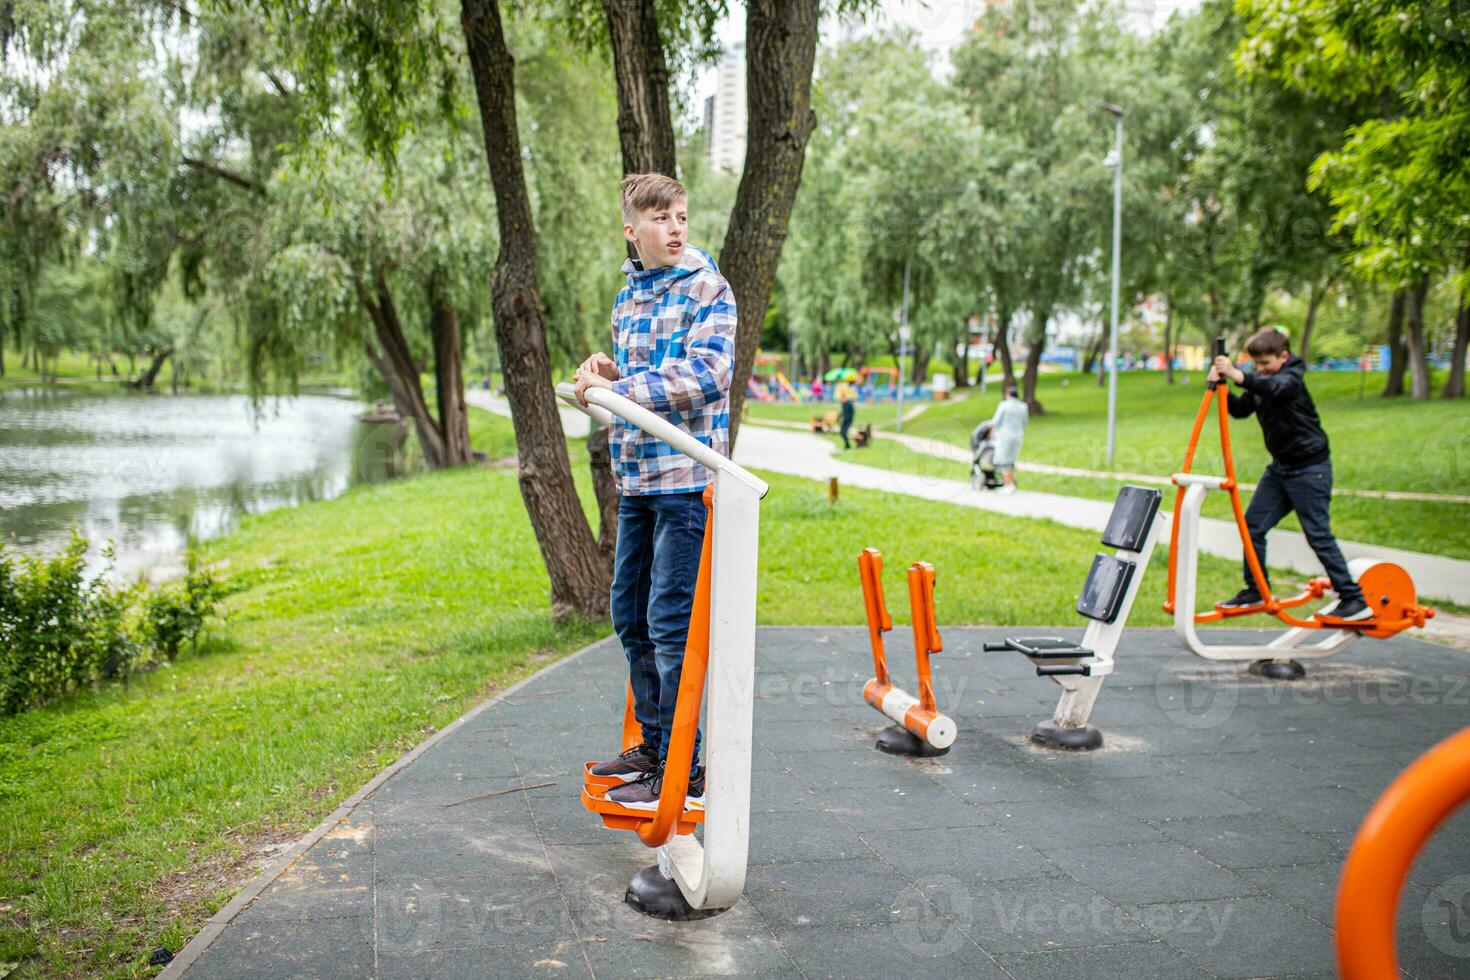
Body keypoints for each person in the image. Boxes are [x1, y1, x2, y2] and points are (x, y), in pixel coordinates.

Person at [573, 172, 738, 810]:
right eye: (661, 217)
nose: (674, 228)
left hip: (686, 481)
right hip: (637, 478)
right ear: (632, 229)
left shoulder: (708, 289)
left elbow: (708, 374)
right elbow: (643, 376)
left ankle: (682, 765)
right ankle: (655, 742)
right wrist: (609, 371)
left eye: (681, 216)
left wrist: (624, 391)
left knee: (669, 624)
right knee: (628, 616)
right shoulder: (627, 300)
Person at [1210, 327, 1370, 621]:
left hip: (1310, 469)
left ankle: (1354, 599)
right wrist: (1221, 384)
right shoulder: (1263, 379)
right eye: (1256, 364)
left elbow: (1277, 389)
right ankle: (1256, 588)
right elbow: (1240, 409)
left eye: (1266, 364)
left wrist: (1239, 375)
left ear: (1283, 357)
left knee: (1318, 535)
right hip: (1280, 469)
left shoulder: (1291, 378)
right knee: (1252, 527)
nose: (1260, 370)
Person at [988, 386, 1028, 494]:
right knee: (1012, 461)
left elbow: (995, 421)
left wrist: (991, 430)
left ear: (1007, 395)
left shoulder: (1004, 405)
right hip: (1018, 436)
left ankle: (1008, 485)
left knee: (1003, 461)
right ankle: (1011, 484)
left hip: (1004, 436)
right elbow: (1025, 423)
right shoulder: (1023, 406)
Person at [836, 379, 857, 448]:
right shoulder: (843, 404)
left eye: (843, 398)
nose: (842, 399)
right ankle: (847, 444)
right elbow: (842, 412)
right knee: (842, 433)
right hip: (844, 420)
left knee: (844, 433)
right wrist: (839, 416)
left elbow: (853, 412)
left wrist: (849, 418)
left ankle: (848, 445)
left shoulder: (849, 404)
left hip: (848, 420)